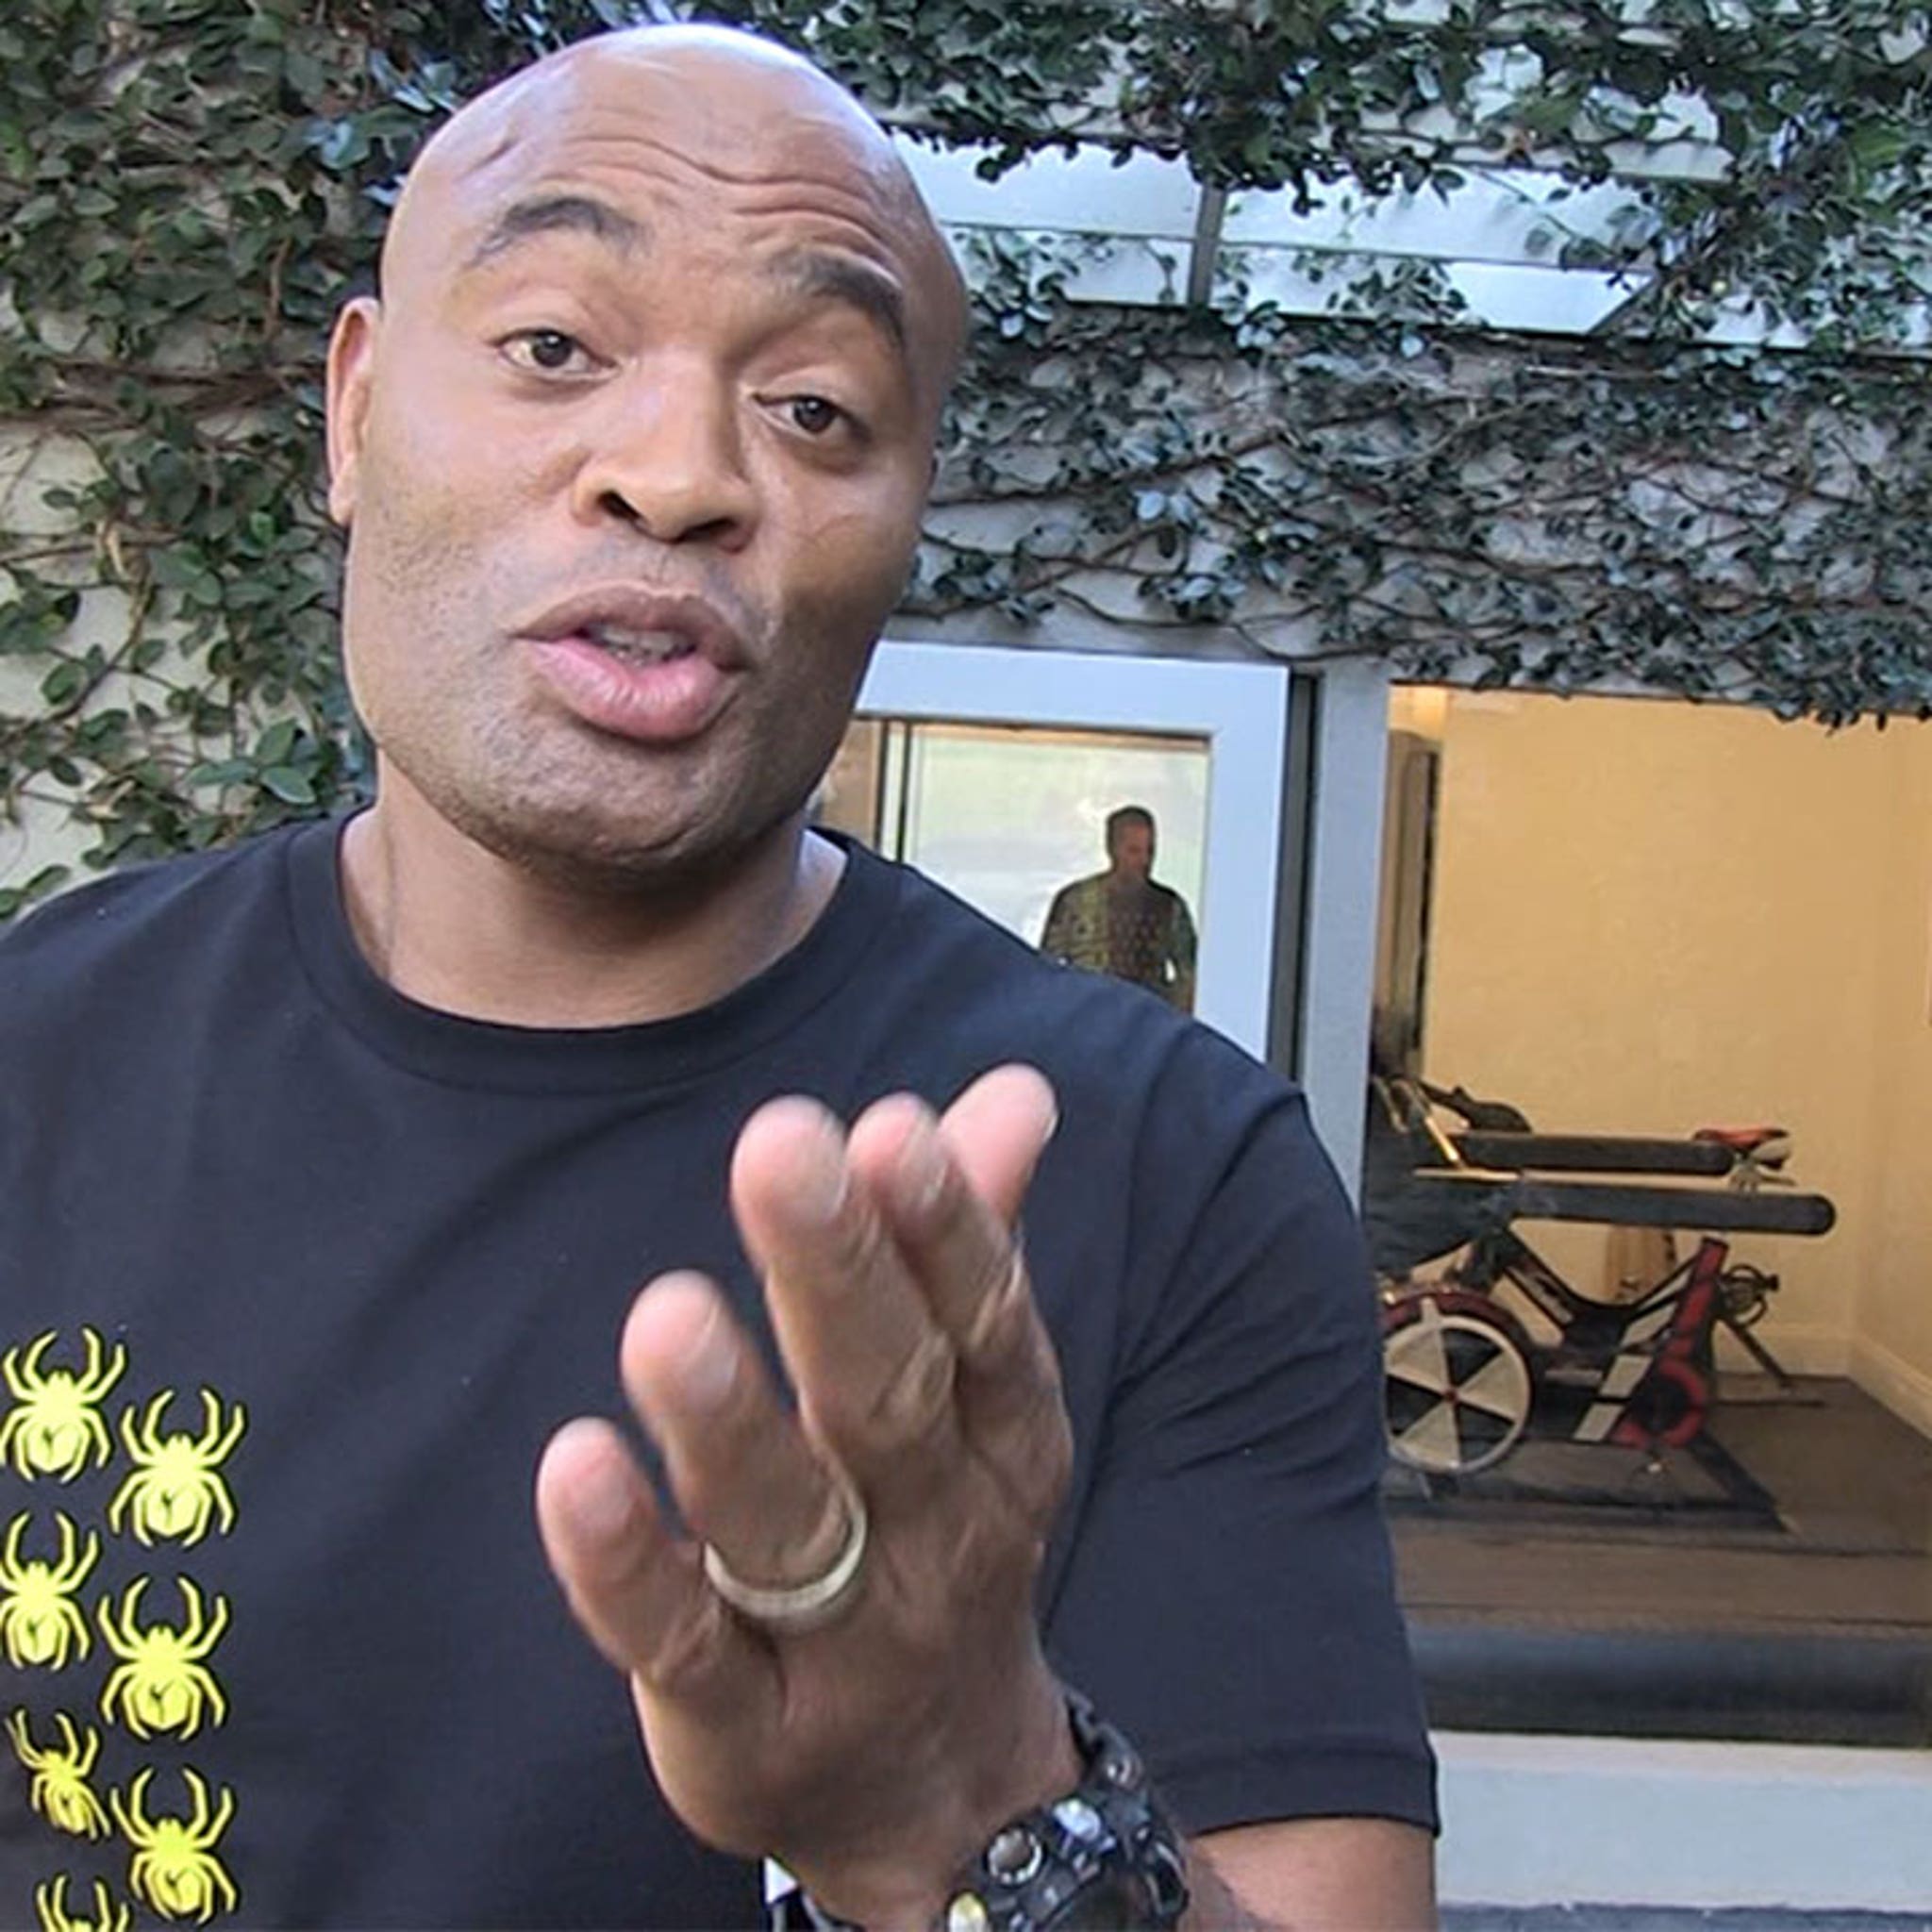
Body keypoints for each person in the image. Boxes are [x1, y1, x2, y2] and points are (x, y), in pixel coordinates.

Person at [0, 25, 1436, 1931]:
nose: (677, 476)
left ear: (908, 519)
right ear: (353, 416)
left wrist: (983, 1816)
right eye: (552, 347)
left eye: (818, 408)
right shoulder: (42, 1057)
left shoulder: (1163, 1176)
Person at [1039, 807, 1199, 1012]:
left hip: (1144, 1022)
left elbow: (1190, 974)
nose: (1144, 861)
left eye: (1149, 850)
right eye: (1133, 851)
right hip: (1085, 1016)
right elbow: (1047, 969)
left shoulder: (1169, 906)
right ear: (1112, 848)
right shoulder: (1075, 901)